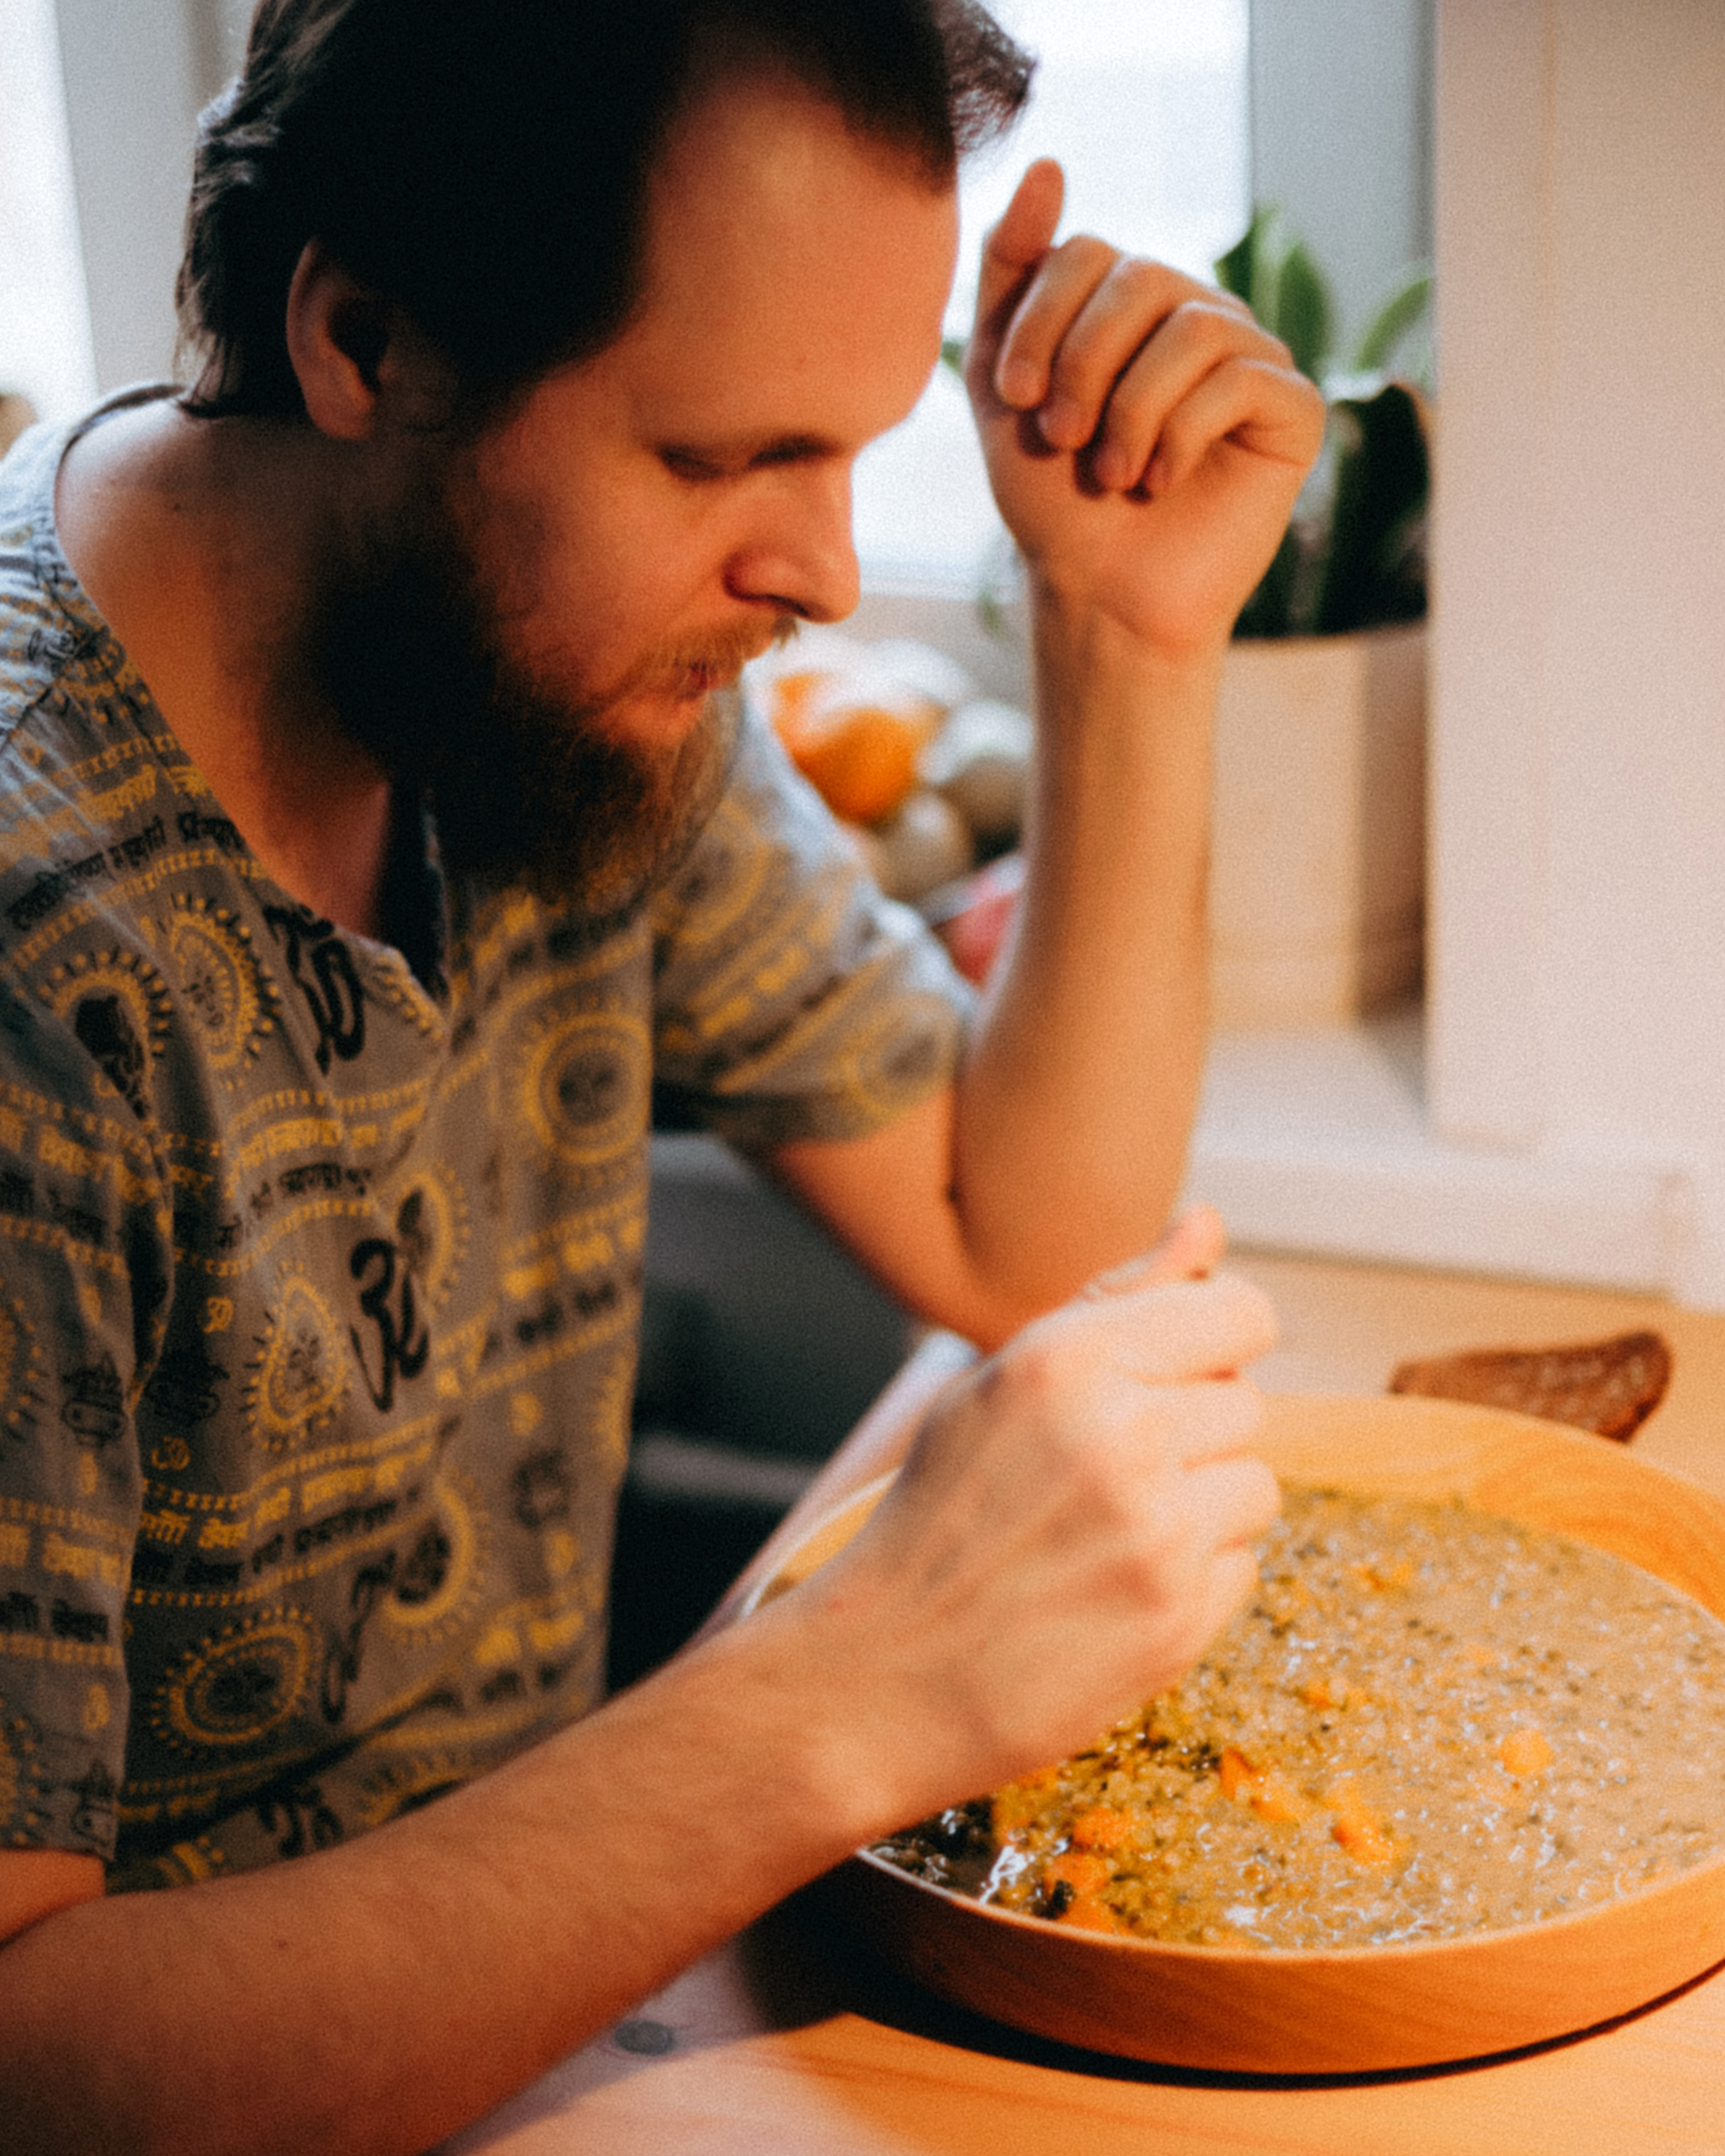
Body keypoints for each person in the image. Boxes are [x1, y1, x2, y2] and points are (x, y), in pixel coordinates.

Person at [0, 1, 1323, 2147]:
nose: (814, 573)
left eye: (853, 449)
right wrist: (848, 1694)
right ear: (363, 340)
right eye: (720, 458)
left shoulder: (561, 682)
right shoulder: (38, 933)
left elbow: (1020, 1235)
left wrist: (1129, 640)